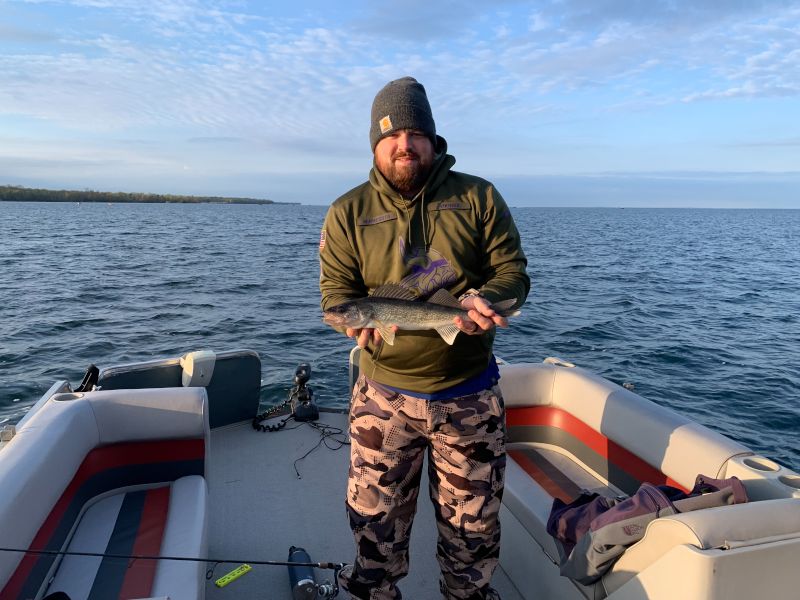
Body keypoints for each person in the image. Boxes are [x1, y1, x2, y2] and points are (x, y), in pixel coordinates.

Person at [319, 76, 530, 600]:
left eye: (415, 133)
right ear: (375, 143)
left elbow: (512, 272)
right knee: (374, 524)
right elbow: (336, 294)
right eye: (391, 134)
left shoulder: (479, 197)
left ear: (434, 139)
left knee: (473, 529)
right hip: (382, 399)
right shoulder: (347, 212)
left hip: (468, 393)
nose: (404, 144)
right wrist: (350, 318)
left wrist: (487, 299)